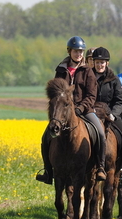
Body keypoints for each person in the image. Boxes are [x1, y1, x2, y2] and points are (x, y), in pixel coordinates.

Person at [36, 36, 106, 184]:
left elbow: (91, 94)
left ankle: (100, 166)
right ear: (69, 51)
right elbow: (54, 92)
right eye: (76, 51)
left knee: (100, 132)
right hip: (64, 112)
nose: (79, 54)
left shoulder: (88, 71)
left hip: (84, 109)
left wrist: (80, 107)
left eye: (81, 52)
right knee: (45, 137)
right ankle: (48, 171)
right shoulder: (61, 69)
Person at [91, 47, 122, 183]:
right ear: (93, 63)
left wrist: (113, 114)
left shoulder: (114, 79)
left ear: (107, 63)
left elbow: (119, 101)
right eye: (97, 62)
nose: (100, 65)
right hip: (91, 112)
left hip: (110, 115)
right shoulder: (88, 77)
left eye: (103, 62)